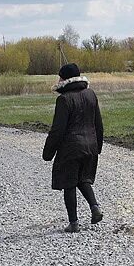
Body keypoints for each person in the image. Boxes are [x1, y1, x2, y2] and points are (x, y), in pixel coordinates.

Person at [42, 62, 104, 233]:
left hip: (71, 148)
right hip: (90, 145)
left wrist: (48, 152)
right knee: (83, 179)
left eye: (60, 76)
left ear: (65, 78)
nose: (58, 79)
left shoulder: (63, 99)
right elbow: (98, 123)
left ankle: (74, 223)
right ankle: (95, 208)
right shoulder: (91, 94)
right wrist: (98, 146)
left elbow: (58, 130)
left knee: (69, 183)